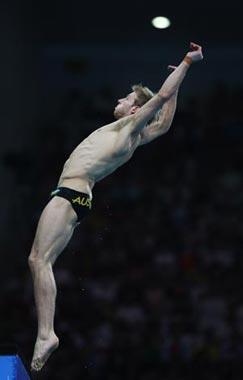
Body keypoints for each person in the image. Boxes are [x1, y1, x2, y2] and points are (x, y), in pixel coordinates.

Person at [29, 42, 203, 371]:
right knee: (42, 261)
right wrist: (176, 81)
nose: (119, 101)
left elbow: (161, 101)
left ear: (136, 110)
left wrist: (186, 63)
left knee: (39, 260)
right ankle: (45, 333)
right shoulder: (130, 135)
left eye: (126, 100)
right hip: (76, 197)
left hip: (70, 193)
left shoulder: (129, 130)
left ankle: (46, 333)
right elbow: (164, 124)